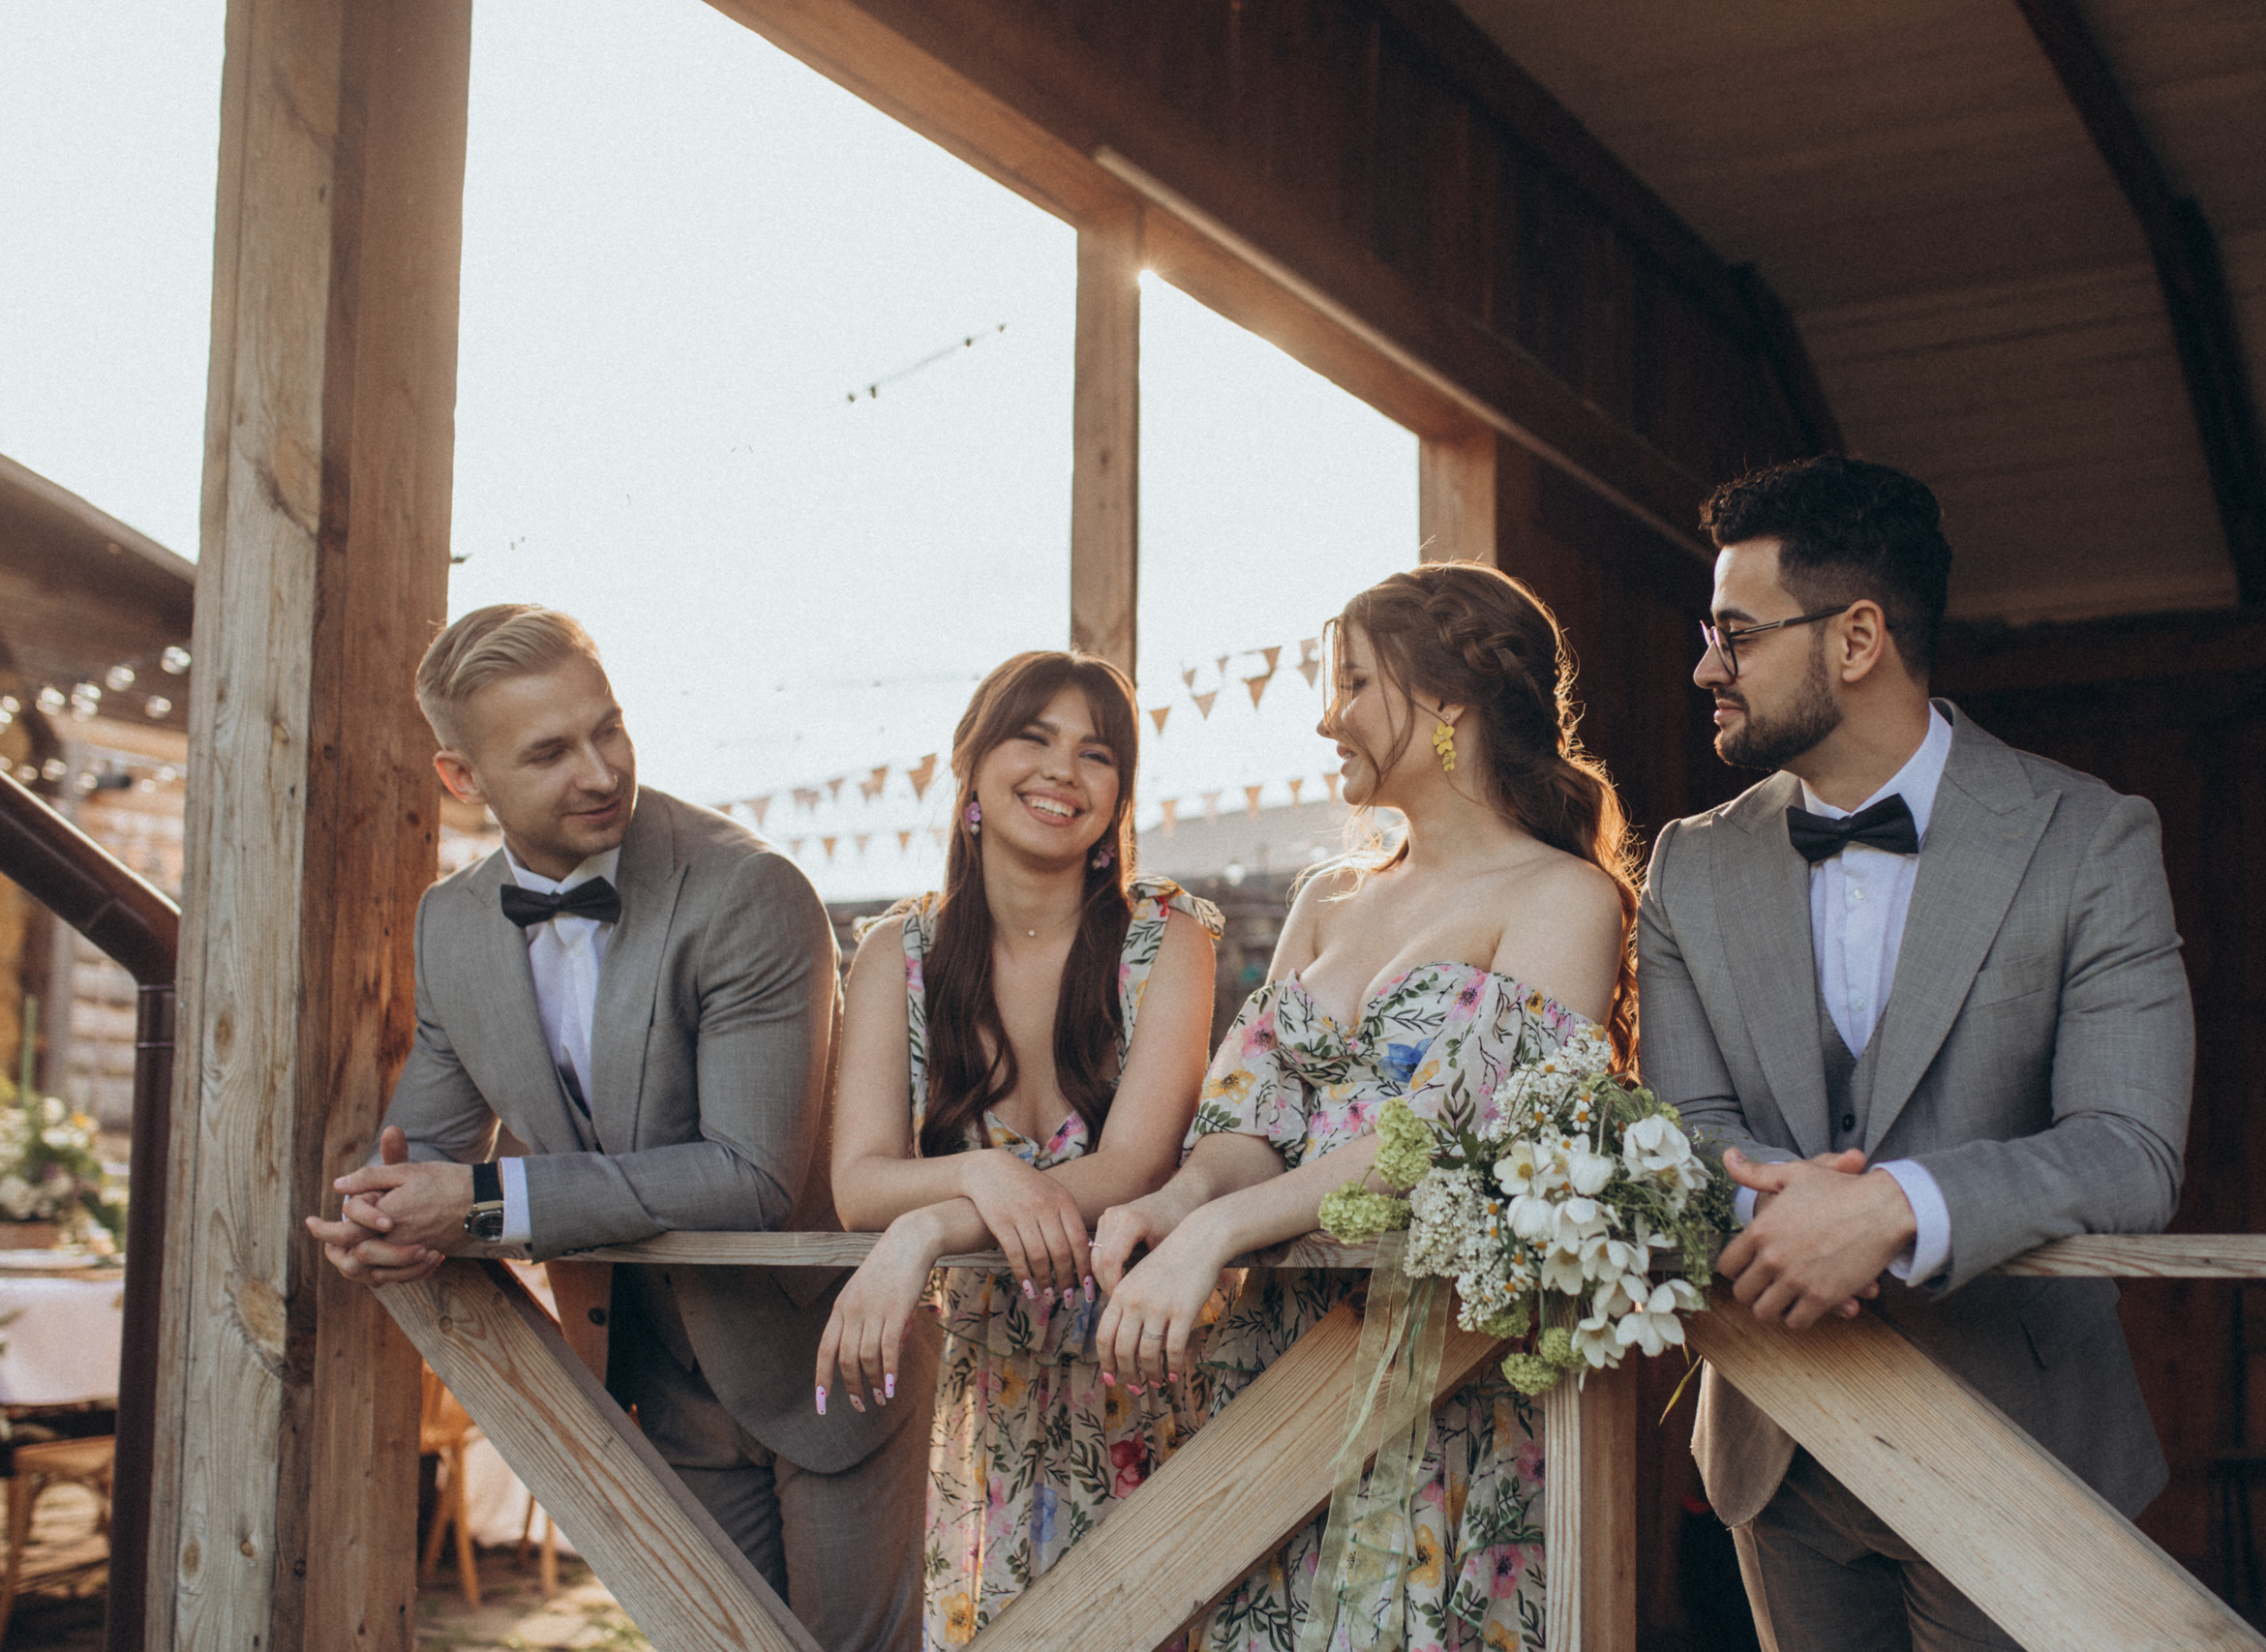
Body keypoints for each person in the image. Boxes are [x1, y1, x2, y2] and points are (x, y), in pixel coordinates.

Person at [1640, 456, 2193, 1651]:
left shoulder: (2089, 839)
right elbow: (1680, 1125)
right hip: (1777, 1441)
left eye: (1734, 633)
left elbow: (2129, 1147)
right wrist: (1789, 1213)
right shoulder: (1687, 863)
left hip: (2021, 1431)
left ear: (1855, 639)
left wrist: (1898, 1207)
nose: (1705, 666)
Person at [306, 606, 932, 1652]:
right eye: (549, 752)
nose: (601, 771)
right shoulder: (451, 923)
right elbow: (424, 1145)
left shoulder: (749, 890)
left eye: (610, 728)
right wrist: (381, 1213)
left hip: (827, 1361)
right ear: (463, 781)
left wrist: (478, 1204)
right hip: (651, 1376)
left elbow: (750, 1176)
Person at [1091, 563, 1637, 1652]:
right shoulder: (1326, 897)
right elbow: (1248, 1119)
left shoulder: (1564, 901)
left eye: (1349, 683)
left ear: (1447, 701)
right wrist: (1183, 1201)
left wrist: (1219, 1230)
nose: (1325, 716)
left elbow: (1447, 1146)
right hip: (1269, 1367)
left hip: (1438, 1380)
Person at [813, 649, 1221, 1647]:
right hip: (987, 1388)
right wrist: (978, 1171)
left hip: (1150, 1361)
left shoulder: (1168, 937)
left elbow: (1133, 1166)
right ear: (971, 761)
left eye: (1096, 753)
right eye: (1032, 737)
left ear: (1119, 793)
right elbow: (857, 1181)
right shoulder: (896, 952)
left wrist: (927, 1230)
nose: (1062, 772)